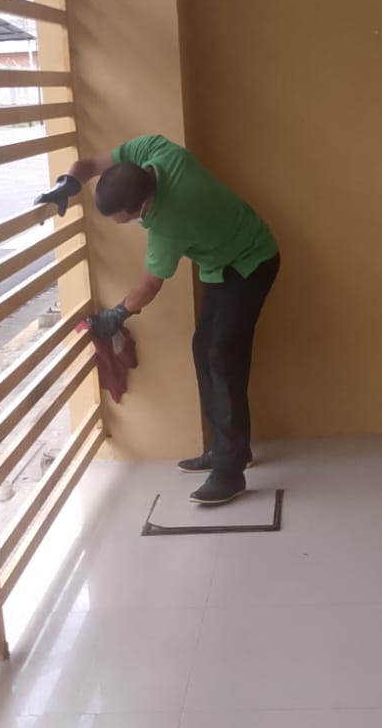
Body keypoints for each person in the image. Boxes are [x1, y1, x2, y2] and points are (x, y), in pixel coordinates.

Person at [40, 133, 279, 507]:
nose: (127, 224)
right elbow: (91, 165)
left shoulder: (168, 222)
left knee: (222, 355)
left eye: (126, 220)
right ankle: (227, 448)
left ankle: (230, 472)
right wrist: (68, 181)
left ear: (144, 205)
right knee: (204, 348)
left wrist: (115, 315)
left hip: (251, 260)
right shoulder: (155, 151)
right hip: (221, 262)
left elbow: (148, 287)